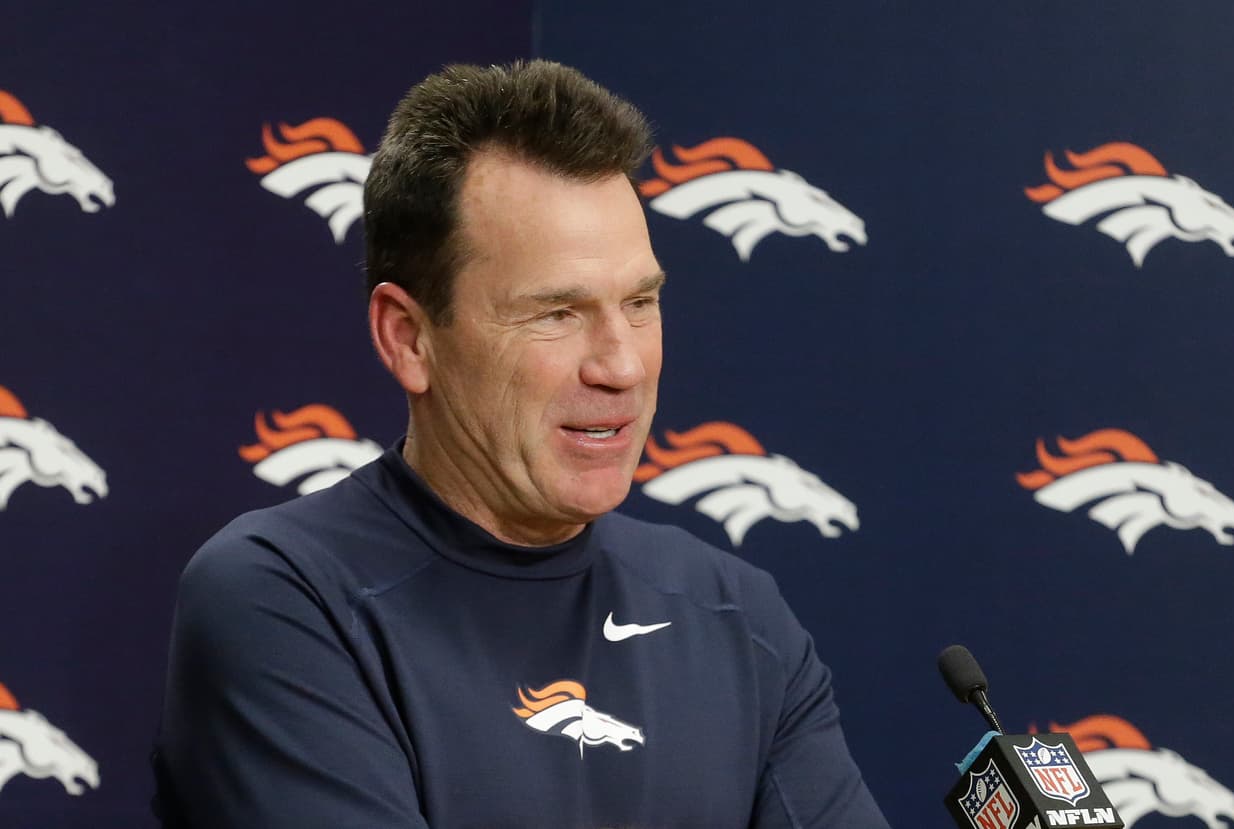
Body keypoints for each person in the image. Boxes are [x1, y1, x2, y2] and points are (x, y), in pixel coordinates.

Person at [153, 60, 891, 829]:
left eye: (640, 302)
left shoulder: (736, 614)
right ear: (408, 338)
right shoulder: (283, 598)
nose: (622, 365)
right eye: (557, 313)